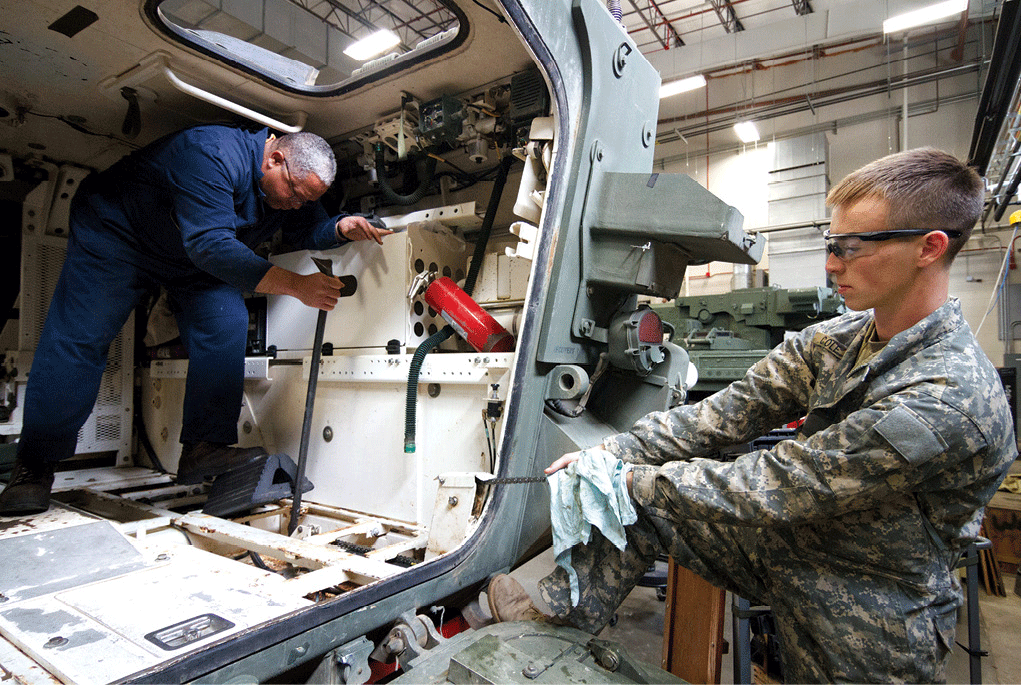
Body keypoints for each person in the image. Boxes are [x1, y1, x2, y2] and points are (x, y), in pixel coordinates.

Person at [487, 147, 1018, 682]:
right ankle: (554, 625)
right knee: (631, 510)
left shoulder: (950, 398)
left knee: (638, 497)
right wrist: (615, 453)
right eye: (831, 244)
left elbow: (783, 484)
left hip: (871, 606)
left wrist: (633, 481)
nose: (833, 264)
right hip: (790, 549)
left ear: (929, 248)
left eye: (853, 247)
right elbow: (727, 413)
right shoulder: (837, 342)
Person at [0, 124, 391, 515]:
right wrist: (297, 286)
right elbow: (211, 246)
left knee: (226, 324)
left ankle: (203, 448)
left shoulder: (291, 186)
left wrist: (338, 227)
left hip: (187, 256)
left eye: (306, 199)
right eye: (293, 193)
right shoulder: (211, 151)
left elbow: (305, 226)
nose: (294, 204)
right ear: (274, 158)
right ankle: (34, 466)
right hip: (119, 235)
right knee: (80, 339)